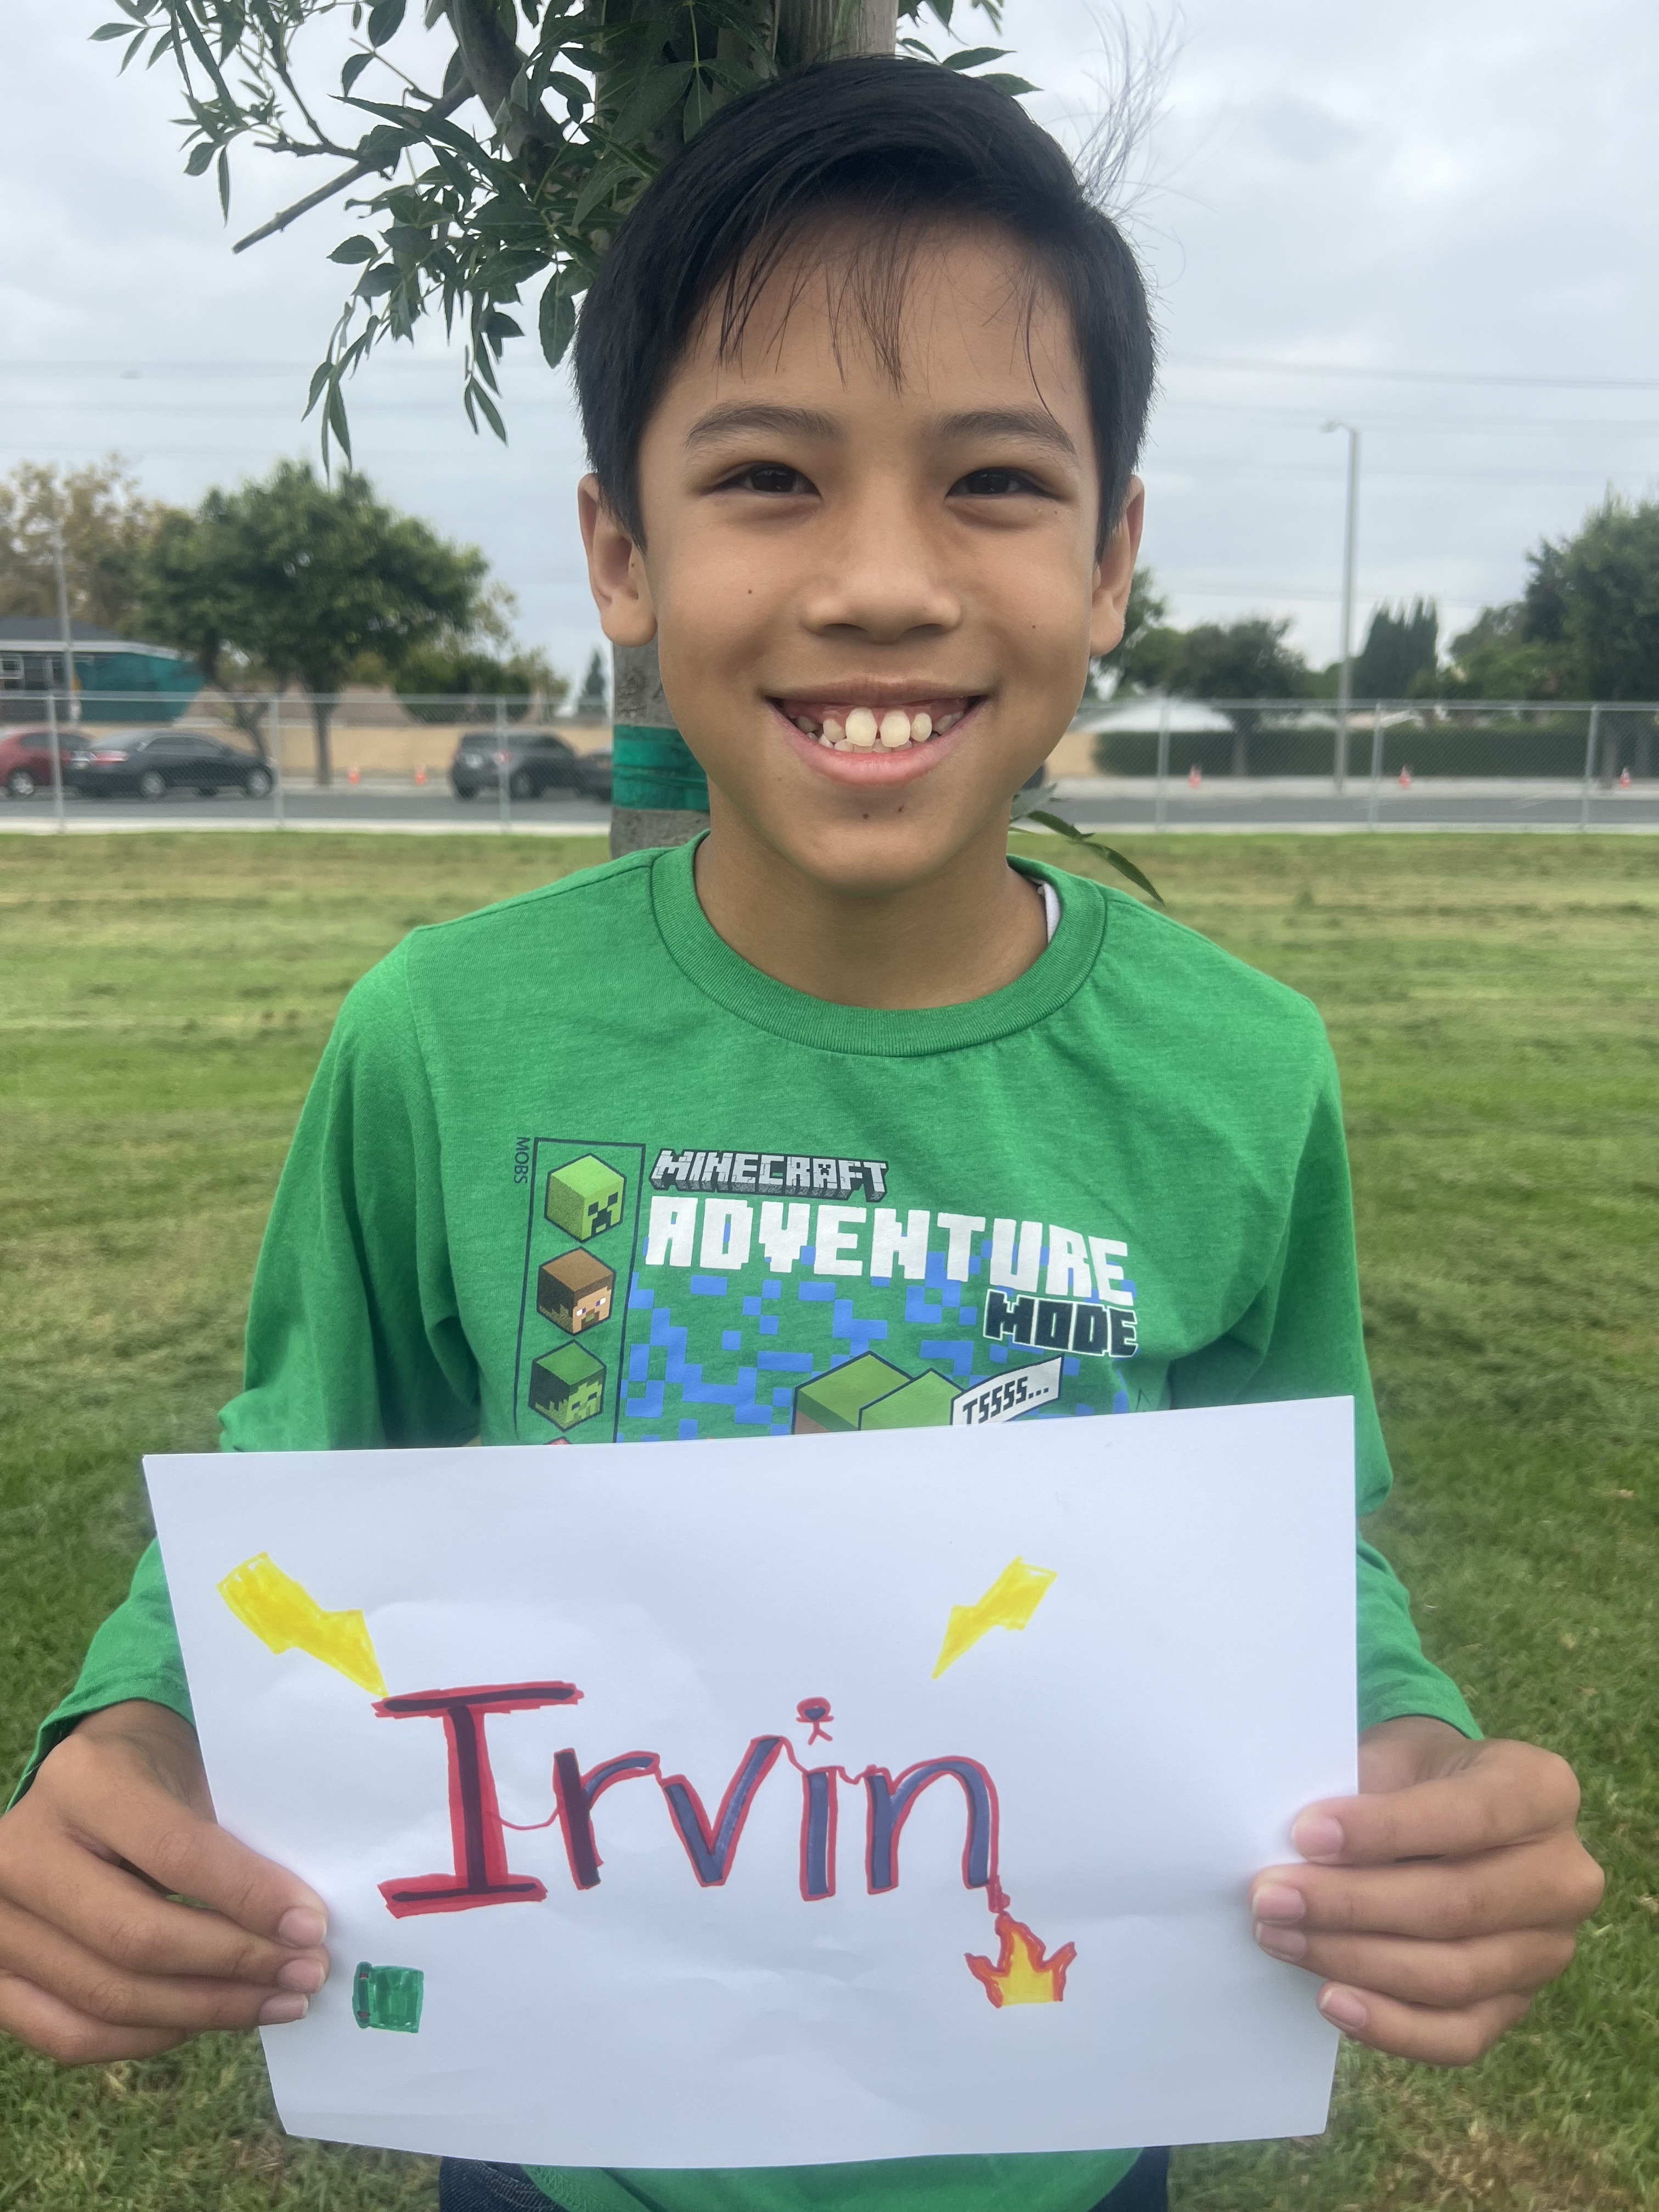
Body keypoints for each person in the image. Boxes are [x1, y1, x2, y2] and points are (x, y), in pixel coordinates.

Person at [0, 55, 1602, 2212]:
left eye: (996, 483)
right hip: (559, 2148)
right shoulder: (444, 1043)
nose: (881, 582)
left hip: (1057, 2145)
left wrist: (1407, 1755)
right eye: (767, 476)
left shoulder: (1243, 1072)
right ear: (622, 553)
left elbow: (1289, 1546)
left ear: (1113, 561)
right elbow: (299, 1481)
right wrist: (127, 1735)